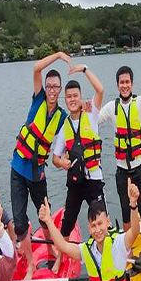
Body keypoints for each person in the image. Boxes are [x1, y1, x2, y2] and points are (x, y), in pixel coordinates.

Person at [98, 49, 141, 258]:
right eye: (121, 82)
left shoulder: (140, 104)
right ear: (117, 85)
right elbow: (94, 120)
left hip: (139, 168)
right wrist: (82, 108)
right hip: (121, 171)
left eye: (128, 82)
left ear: (132, 84)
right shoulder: (111, 108)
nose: (125, 85)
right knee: (126, 211)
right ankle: (128, 249)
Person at [10, 51, 70, 279]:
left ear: (61, 90)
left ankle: (52, 250)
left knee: (43, 214)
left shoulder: (62, 116)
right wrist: (59, 55)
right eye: (50, 86)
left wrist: (64, 161)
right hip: (18, 169)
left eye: (56, 87)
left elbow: (69, 136)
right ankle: (32, 264)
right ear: (45, 88)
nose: (53, 91)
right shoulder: (38, 99)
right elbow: (36, 68)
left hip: (37, 174)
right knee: (19, 221)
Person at [51, 63, 105, 240]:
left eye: (75, 96)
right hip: (74, 182)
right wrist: (61, 163)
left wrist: (84, 69)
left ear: (81, 97)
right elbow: (55, 158)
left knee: (100, 219)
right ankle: (61, 258)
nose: (72, 99)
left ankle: (106, 254)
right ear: (64, 100)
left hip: (93, 180)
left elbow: (100, 90)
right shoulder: (64, 127)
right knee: (67, 224)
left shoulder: (91, 114)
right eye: (68, 97)